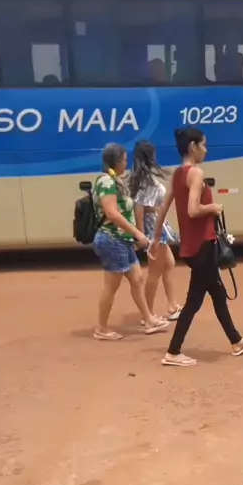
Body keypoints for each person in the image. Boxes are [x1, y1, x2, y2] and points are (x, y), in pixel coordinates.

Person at [151, 128, 243, 367]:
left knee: (217, 295)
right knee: (194, 302)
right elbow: (193, 210)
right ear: (193, 146)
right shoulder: (195, 173)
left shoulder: (178, 174)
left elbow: (164, 207)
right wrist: (213, 208)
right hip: (202, 247)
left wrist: (156, 237)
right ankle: (173, 352)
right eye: (204, 145)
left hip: (192, 248)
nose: (206, 150)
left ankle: (236, 341)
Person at [92, 143, 169, 341]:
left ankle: (148, 319)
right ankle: (101, 328)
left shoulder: (114, 181)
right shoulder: (106, 182)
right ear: (117, 161)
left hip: (121, 240)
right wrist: (137, 233)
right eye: (124, 160)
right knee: (111, 285)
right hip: (112, 239)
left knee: (137, 279)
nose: (127, 163)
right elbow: (111, 213)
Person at [128, 140, 181, 322]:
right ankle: (148, 314)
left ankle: (172, 305)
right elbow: (139, 207)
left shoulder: (142, 177)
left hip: (156, 226)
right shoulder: (146, 180)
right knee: (155, 271)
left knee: (169, 264)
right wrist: (141, 234)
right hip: (153, 228)